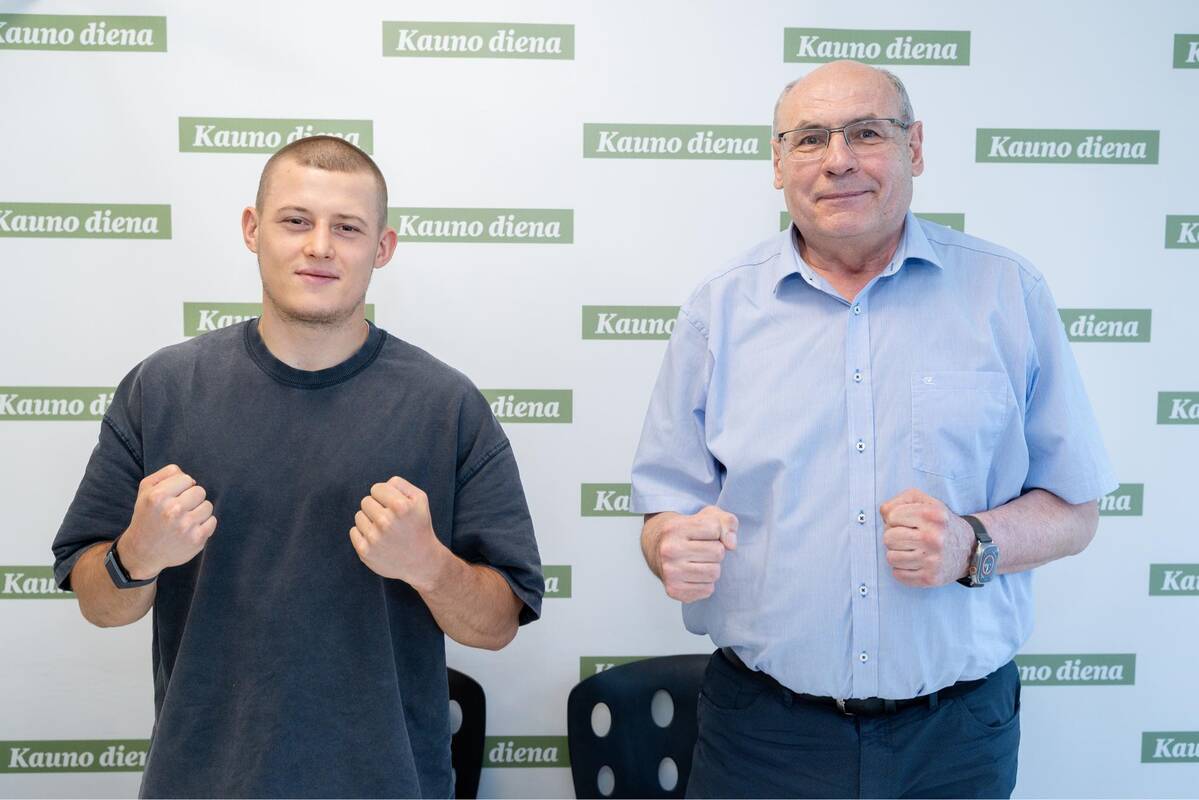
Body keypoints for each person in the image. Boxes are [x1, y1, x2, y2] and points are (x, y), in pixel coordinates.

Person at [630, 60, 1114, 799]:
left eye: (866, 133)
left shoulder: (1008, 294)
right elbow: (664, 510)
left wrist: (971, 543)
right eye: (809, 139)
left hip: (955, 739)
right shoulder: (716, 312)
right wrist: (667, 543)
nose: (838, 160)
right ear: (777, 164)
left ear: (913, 148)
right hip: (763, 736)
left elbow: (1076, 511)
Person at [51, 136, 543, 798]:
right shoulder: (161, 390)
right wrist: (138, 553)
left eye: (347, 228)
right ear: (253, 230)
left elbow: (498, 624)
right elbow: (99, 605)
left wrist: (428, 565)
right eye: (296, 220)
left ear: (382, 247)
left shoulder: (447, 407)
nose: (319, 246)